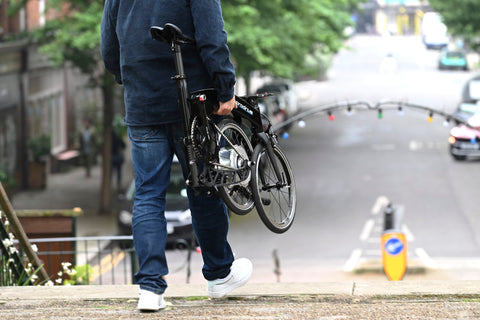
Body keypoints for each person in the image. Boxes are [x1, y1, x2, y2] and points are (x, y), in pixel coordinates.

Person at [101, 0, 252, 312]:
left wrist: (130, 80)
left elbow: (108, 46)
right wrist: (225, 90)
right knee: (204, 186)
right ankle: (219, 273)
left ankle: (150, 289)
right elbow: (212, 37)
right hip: (191, 104)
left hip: (142, 102)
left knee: (147, 194)